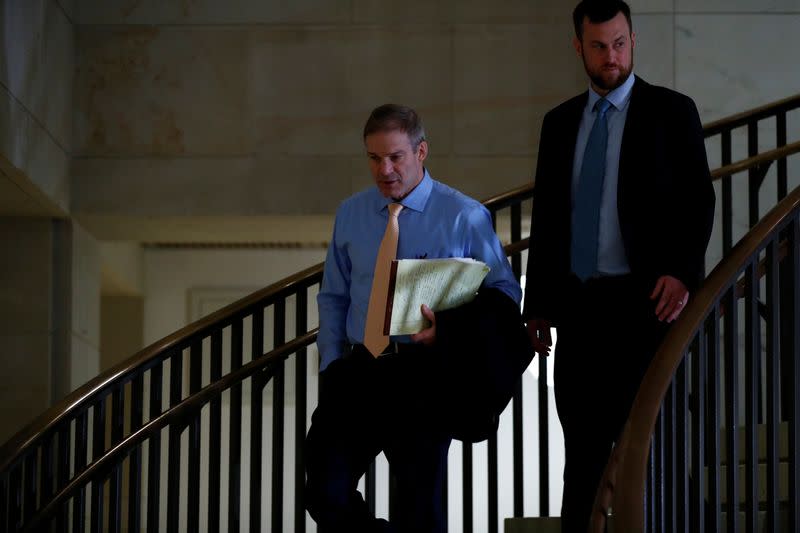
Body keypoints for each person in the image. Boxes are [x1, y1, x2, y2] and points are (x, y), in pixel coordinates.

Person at [522, 1, 716, 531]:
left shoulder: (673, 111)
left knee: (661, 449)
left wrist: (681, 271)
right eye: (600, 46)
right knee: (582, 459)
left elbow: (698, 203)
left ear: (633, 38)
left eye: (621, 43)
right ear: (579, 47)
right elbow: (549, 220)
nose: (612, 56)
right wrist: (536, 304)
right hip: (581, 312)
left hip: (647, 307)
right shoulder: (559, 123)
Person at [306, 103, 522, 533]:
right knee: (324, 492)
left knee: (420, 511)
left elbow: (504, 293)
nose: (384, 169)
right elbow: (333, 297)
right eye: (373, 158)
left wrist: (450, 330)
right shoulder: (351, 213)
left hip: (424, 376)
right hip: (358, 372)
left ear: (421, 152)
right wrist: (332, 364)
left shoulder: (463, 215)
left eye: (395, 156)